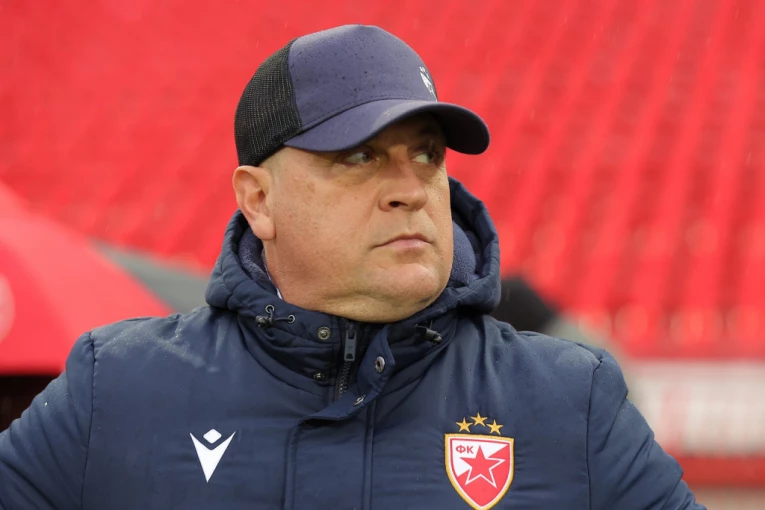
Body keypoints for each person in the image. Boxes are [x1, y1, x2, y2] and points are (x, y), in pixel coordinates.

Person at [0, 24, 704, 510]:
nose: (410, 187)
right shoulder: (117, 389)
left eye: (426, 154)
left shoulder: (571, 401)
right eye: (359, 156)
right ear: (258, 200)